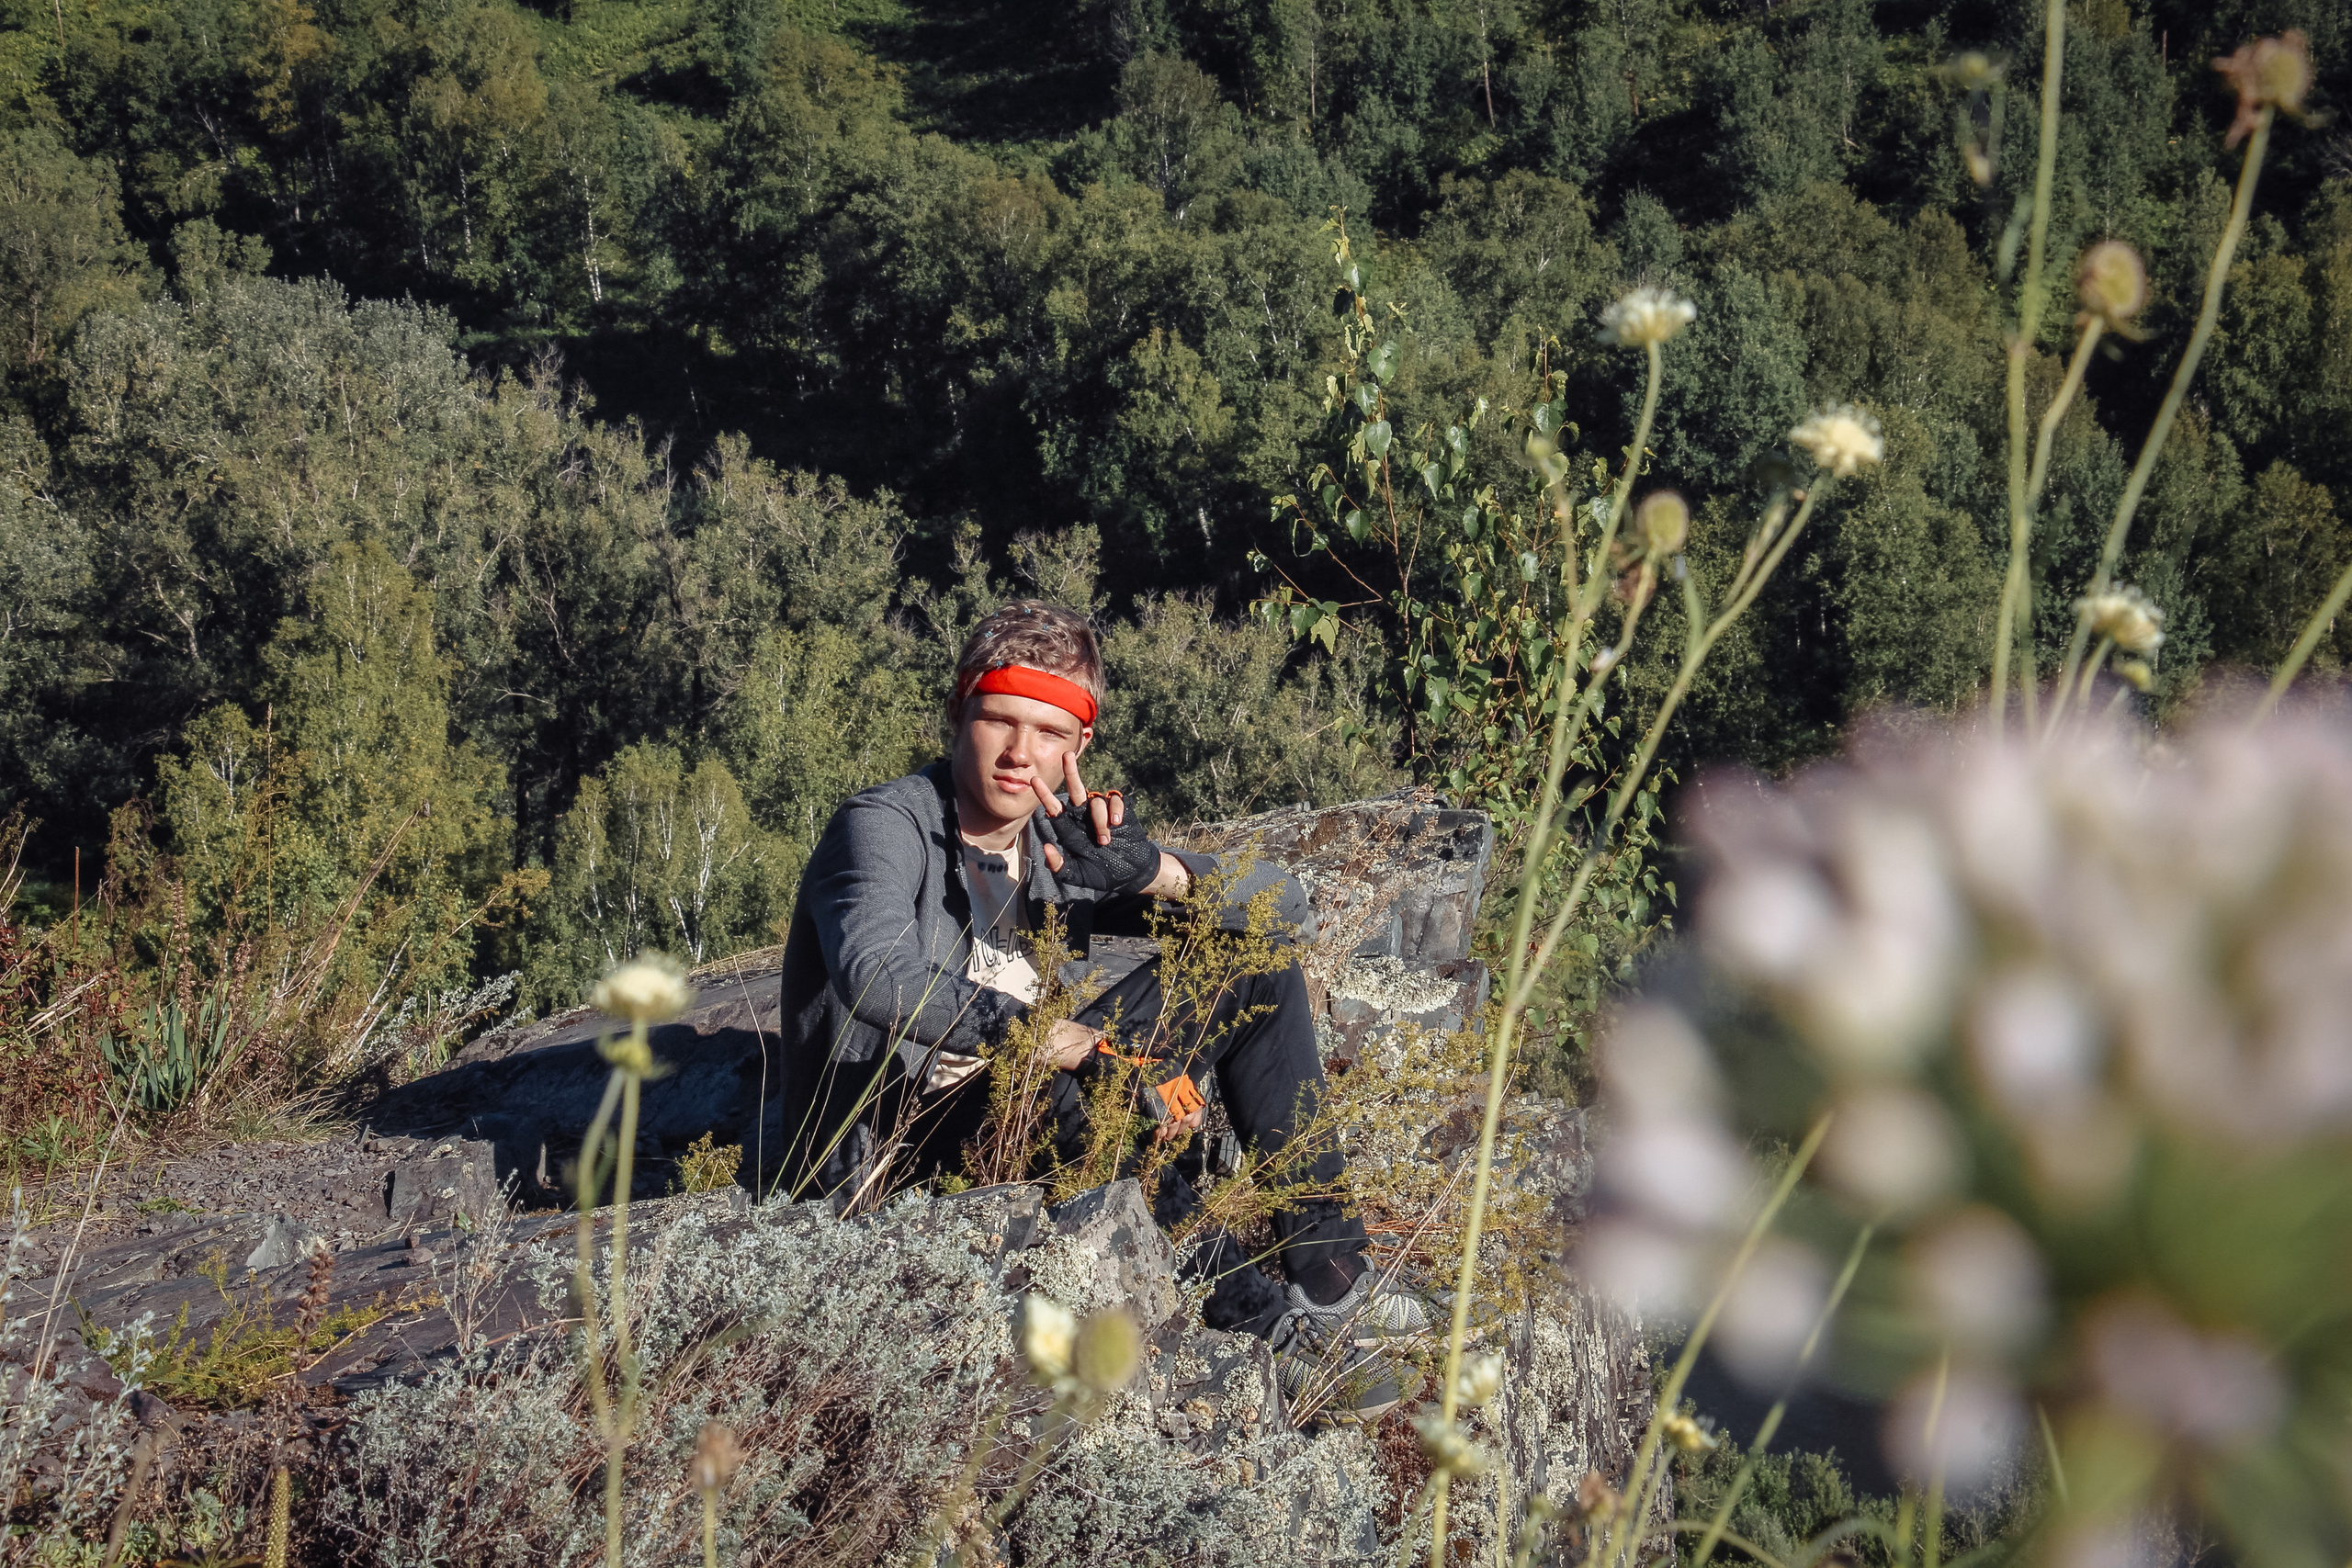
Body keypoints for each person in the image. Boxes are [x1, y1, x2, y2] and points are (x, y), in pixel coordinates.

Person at [770, 600, 1447, 1418]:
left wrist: (1148, 870)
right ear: (958, 714)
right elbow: (875, 972)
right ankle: (1250, 1326)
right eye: (999, 721)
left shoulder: (1055, 843)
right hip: (899, 1143)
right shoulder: (884, 826)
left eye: (1050, 733)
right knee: (1057, 1086)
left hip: (1030, 1096)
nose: (1023, 754)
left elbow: (1285, 906)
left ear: (1079, 746)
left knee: (1258, 963)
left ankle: (1333, 1278)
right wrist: (1045, 1038)